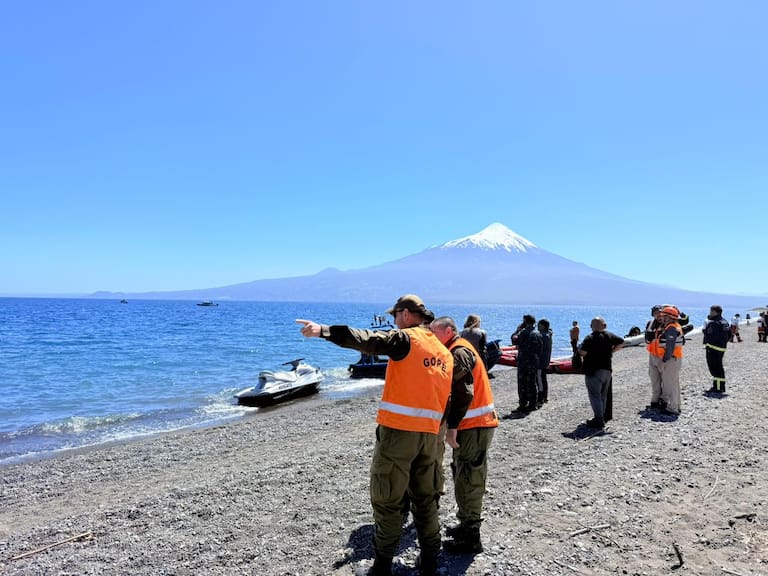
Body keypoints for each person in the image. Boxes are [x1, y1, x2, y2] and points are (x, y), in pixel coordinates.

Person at [296, 294, 453, 576]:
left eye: (395, 316)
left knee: (388, 501)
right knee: (426, 501)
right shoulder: (442, 351)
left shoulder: (407, 339)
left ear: (405, 315)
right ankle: (430, 561)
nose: (393, 321)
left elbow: (368, 339)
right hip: (431, 438)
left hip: (398, 436)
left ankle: (381, 567)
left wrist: (323, 330)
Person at [430, 316, 498, 555]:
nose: (431, 338)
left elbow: (463, 393)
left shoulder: (458, 352)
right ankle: (465, 525)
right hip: (473, 424)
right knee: (462, 473)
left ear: (449, 331)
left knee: (469, 477)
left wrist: (452, 426)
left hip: (474, 424)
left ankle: (471, 536)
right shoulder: (456, 348)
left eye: (434, 333)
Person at [578, 317, 624, 429]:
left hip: (593, 370)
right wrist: (611, 351)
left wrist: (581, 352)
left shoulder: (589, 338)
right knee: (603, 395)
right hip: (607, 369)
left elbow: (583, 352)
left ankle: (598, 419)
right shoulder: (609, 336)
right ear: (604, 326)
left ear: (591, 326)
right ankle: (601, 417)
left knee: (594, 395)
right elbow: (622, 342)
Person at [647, 306, 685, 415]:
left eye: (663, 316)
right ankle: (675, 406)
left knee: (671, 384)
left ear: (669, 317)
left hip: (672, 360)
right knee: (674, 383)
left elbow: (670, 347)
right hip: (673, 359)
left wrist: (664, 360)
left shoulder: (671, 328)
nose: (661, 317)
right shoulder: (670, 327)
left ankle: (673, 408)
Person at [509, 315, 543, 413]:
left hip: (524, 360)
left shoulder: (524, 332)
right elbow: (541, 347)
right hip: (534, 360)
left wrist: (517, 330)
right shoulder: (538, 333)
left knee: (522, 383)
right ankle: (533, 403)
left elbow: (514, 340)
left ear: (525, 322)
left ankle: (523, 403)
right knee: (532, 382)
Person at [703, 305, 730, 395]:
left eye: (711, 311)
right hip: (722, 347)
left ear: (715, 312)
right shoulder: (725, 322)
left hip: (713, 348)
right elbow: (729, 334)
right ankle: (721, 386)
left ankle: (717, 388)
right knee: (719, 367)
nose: (710, 313)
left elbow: (709, 334)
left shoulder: (714, 323)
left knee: (715, 368)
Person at [537, 319, 553, 406]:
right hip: (545, 361)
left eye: (539, 325)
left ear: (543, 326)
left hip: (541, 362)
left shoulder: (543, 336)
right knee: (543, 379)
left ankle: (541, 398)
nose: (537, 327)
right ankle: (544, 397)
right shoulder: (548, 335)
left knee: (540, 380)